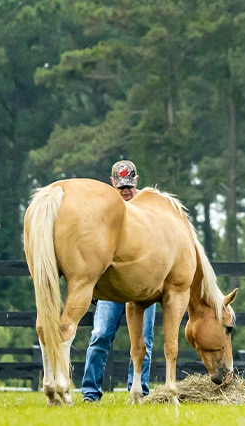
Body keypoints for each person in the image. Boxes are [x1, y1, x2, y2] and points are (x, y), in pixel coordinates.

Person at [81, 160, 157, 403]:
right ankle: (90, 393)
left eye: (129, 185)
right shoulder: (103, 214)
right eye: (121, 186)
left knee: (144, 339)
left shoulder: (148, 213)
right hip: (112, 287)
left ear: (136, 181)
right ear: (112, 183)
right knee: (101, 335)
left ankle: (139, 390)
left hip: (142, 286)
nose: (125, 191)